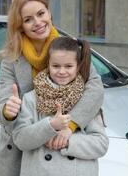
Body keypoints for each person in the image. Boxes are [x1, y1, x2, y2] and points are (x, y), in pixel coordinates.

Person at [0, 0, 104, 176]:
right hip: (25, 149)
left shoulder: (68, 48)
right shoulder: (11, 59)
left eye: (41, 13)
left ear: (49, 13)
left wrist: (70, 127)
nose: (38, 22)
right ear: (20, 25)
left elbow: (95, 89)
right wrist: (8, 110)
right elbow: (2, 110)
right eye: (28, 19)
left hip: (66, 147)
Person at [12, 37, 108, 176]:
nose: (62, 71)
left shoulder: (87, 99)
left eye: (68, 66)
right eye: (56, 66)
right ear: (48, 65)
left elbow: (101, 144)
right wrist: (49, 126)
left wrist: (67, 141)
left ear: (78, 67)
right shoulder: (31, 98)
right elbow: (20, 139)